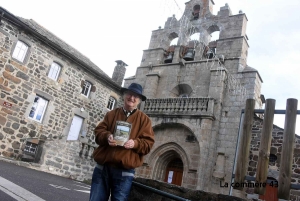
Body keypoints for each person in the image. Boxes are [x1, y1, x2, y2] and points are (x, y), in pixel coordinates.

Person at [90, 83, 155, 201]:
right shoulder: (112, 114)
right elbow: (98, 132)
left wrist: (135, 144)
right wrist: (107, 136)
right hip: (103, 167)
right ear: (125, 95)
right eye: (130, 94)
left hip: (124, 171)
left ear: (139, 100)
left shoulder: (145, 120)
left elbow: (148, 144)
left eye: (136, 96)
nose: (132, 98)